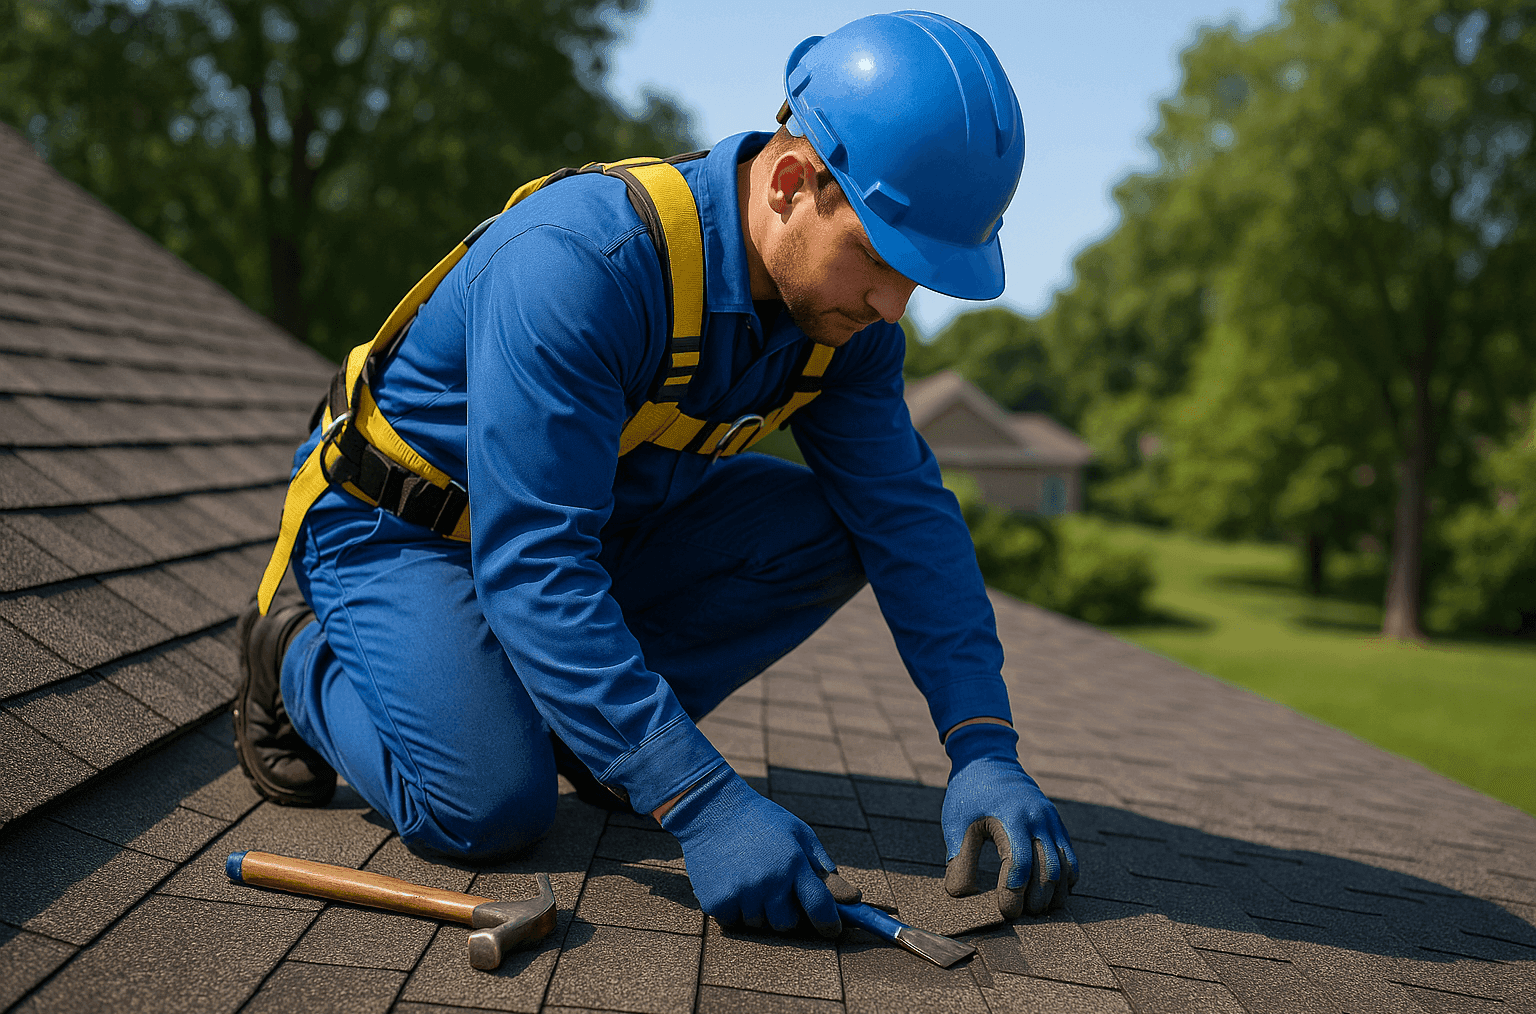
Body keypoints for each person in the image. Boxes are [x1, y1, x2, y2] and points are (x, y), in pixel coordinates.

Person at [235, 10, 1079, 938]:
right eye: (880, 258)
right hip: (403, 530)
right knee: (486, 809)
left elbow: (909, 522)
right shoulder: (581, 266)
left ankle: (597, 741)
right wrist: (699, 800)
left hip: (580, 534)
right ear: (793, 183)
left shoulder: (843, 330)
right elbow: (536, 565)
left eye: (919, 279)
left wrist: (983, 746)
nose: (892, 304)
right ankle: (292, 656)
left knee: (851, 522)